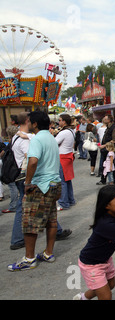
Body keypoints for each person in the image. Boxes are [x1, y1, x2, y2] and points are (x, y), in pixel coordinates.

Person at [8, 111, 62, 271]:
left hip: (41, 185)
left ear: (35, 124)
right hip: (54, 184)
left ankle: (29, 258)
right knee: (51, 219)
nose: (28, 123)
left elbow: (32, 161)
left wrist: (27, 182)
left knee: (30, 222)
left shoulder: (37, 139)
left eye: (29, 121)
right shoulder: (50, 137)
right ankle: (48, 252)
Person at [9, 112, 33, 250]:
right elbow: (30, 159)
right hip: (26, 177)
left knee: (40, 204)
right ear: (27, 121)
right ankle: (17, 238)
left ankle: (57, 229)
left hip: (21, 176)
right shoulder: (23, 140)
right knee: (22, 207)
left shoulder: (16, 137)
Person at [54, 114, 76, 211]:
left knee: (62, 181)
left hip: (62, 157)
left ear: (64, 121)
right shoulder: (71, 131)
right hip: (68, 156)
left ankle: (63, 203)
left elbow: (54, 142)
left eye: (60, 120)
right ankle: (70, 199)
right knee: (67, 180)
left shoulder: (64, 132)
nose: (59, 122)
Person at [97, 115, 115, 185]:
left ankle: (112, 180)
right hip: (106, 148)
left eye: (106, 118)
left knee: (111, 164)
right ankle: (103, 179)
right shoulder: (108, 128)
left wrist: (104, 145)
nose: (104, 119)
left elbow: (114, 140)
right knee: (105, 164)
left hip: (109, 149)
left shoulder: (113, 128)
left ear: (109, 120)